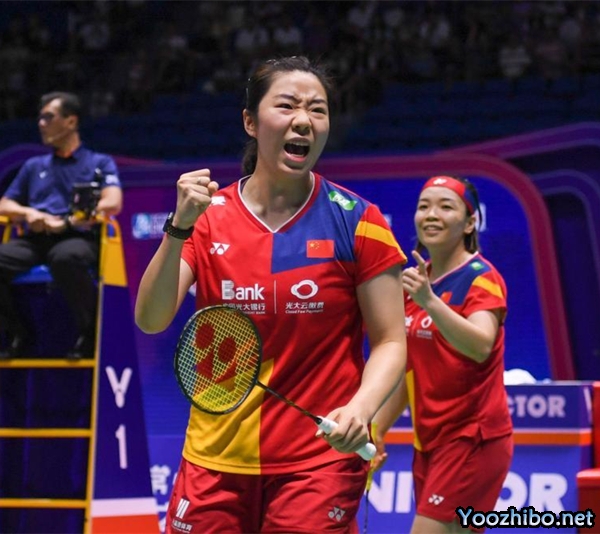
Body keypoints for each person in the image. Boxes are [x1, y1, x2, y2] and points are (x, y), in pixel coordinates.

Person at [135, 56, 407, 533]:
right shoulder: (208, 218)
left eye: (318, 109)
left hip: (318, 461)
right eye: (287, 106)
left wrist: (361, 409)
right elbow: (151, 319)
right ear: (250, 122)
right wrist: (178, 228)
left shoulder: (358, 221)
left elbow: (390, 340)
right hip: (214, 457)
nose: (304, 120)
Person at [372, 175, 513, 533]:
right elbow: (410, 370)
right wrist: (378, 427)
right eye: (424, 206)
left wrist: (430, 303)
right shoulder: (418, 282)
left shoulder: (481, 279)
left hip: (471, 438)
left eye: (445, 206)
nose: (431, 214)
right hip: (429, 442)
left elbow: (480, 346)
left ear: (469, 223)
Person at [0, 91, 123, 359]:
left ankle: (89, 334)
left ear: (71, 121)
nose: (41, 123)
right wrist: (29, 213)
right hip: (35, 239)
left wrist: (68, 221)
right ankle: (20, 334)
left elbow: (112, 202)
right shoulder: (34, 166)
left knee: (65, 257)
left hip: (77, 237)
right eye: (40, 118)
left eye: (48, 117)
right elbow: (4, 204)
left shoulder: (98, 163)